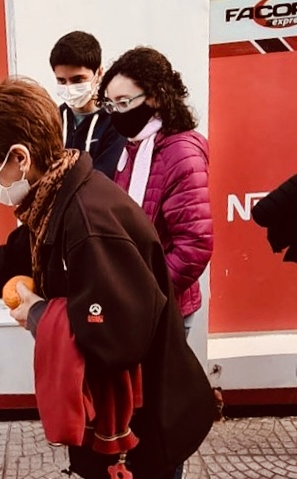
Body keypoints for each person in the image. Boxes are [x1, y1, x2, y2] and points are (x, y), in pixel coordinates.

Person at [0, 77, 214, 479]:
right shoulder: (56, 197)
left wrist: (40, 313)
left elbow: (118, 338)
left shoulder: (87, 220)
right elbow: (13, 257)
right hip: (122, 405)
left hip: (143, 419)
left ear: (19, 158)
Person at [97, 46, 213, 338]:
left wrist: (148, 295)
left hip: (161, 305)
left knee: (159, 385)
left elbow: (194, 246)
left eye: (123, 103)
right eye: (110, 105)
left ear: (157, 97)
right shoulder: (135, 145)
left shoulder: (180, 153)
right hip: (133, 299)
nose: (116, 115)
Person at [50, 31, 125, 178]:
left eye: (78, 80)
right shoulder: (53, 119)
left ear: (99, 74)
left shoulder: (116, 122)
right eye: (61, 81)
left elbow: (103, 179)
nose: (69, 87)